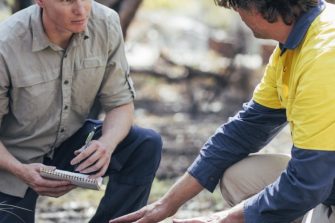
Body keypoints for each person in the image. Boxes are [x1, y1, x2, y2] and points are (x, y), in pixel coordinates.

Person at [110, 0, 335, 222]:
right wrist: (167, 204)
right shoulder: (295, 44)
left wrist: (226, 218)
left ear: (257, 7)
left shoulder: (322, 58)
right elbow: (245, 129)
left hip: (319, 180)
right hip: (324, 180)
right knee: (240, 178)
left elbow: (308, 182)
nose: (238, 13)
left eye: (237, 6)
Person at [0, 0, 162, 223]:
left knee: (144, 143)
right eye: (66, 0)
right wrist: (20, 170)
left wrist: (107, 144)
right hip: (11, 162)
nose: (80, 9)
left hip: (71, 144)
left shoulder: (106, 22)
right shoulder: (5, 43)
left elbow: (120, 103)